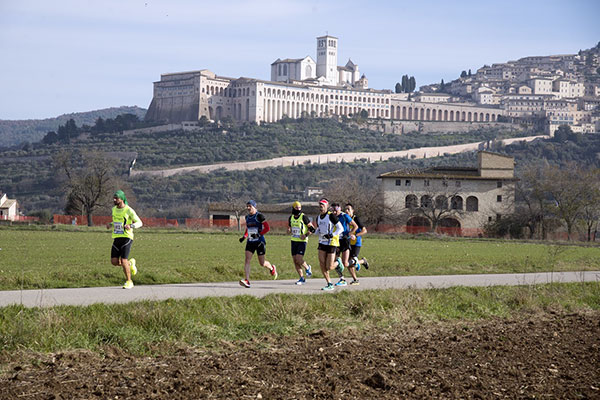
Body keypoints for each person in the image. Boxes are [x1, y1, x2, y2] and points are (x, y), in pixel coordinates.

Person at [106, 190, 143, 289]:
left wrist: (131, 225)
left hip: (127, 237)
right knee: (114, 262)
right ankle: (130, 263)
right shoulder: (113, 209)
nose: (114, 200)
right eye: (114, 198)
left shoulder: (128, 210)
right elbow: (117, 222)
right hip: (116, 237)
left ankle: (129, 281)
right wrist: (111, 224)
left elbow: (140, 223)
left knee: (123, 260)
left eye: (116, 198)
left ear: (122, 199)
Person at [239, 200, 277, 288]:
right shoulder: (247, 217)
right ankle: (247, 280)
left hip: (259, 242)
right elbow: (248, 228)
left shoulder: (259, 216)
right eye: (247, 206)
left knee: (262, 263)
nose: (248, 208)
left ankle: (272, 268)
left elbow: (267, 228)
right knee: (247, 259)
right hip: (250, 241)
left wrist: (259, 234)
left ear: (254, 207)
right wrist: (244, 237)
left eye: (250, 206)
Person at [314, 198, 344, 291]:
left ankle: (338, 262)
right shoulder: (318, 217)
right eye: (320, 205)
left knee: (329, 266)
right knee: (322, 264)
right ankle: (329, 283)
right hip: (322, 242)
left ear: (327, 206)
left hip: (331, 242)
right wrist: (314, 231)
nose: (321, 206)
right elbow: (319, 229)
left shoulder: (331, 216)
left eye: (323, 205)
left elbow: (341, 228)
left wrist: (332, 235)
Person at [287, 201, 315, 285]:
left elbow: (312, 229)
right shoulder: (290, 217)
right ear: (293, 208)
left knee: (299, 259)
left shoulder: (304, 217)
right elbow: (289, 228)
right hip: (294, 240)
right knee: (295, 261)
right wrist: (289, 230)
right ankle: (301, 278)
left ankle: (307, 267)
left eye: (299, 208)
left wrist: (306, 235)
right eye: (296, 208)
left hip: (302, 241)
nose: (298, 210)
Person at [331, 203, 358, 287]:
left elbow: (355, 226)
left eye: (336, 210)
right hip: (336, 241)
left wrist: (349, 234)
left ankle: (355, 261)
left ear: (340, 209)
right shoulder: (331, 216)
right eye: (333, 211)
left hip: (345, 240)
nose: (335, 212)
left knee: (345, 263)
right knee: (335, 261)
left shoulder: (344, 216)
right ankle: (342, 279)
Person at [345, 203, 369, 283]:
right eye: (345, 209)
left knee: (350, 262)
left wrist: (356, 235)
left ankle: (363, 261)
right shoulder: (345, 219)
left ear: (353, 211)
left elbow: (364, 231)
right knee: (348, 263)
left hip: (356, 243)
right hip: (348, 243)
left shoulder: (356, 219)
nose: (346, 211)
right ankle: (355, 280)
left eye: (348, 209)